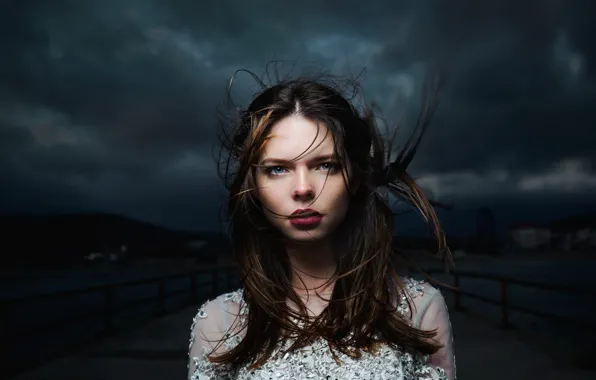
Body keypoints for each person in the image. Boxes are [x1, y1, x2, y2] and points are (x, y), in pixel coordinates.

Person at [188, 68, 456, 380]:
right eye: (277, 169)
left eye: (325, 165)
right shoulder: (218, 323)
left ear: (353, 178)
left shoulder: (419, 309)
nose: (303, 188)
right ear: (254, 186)